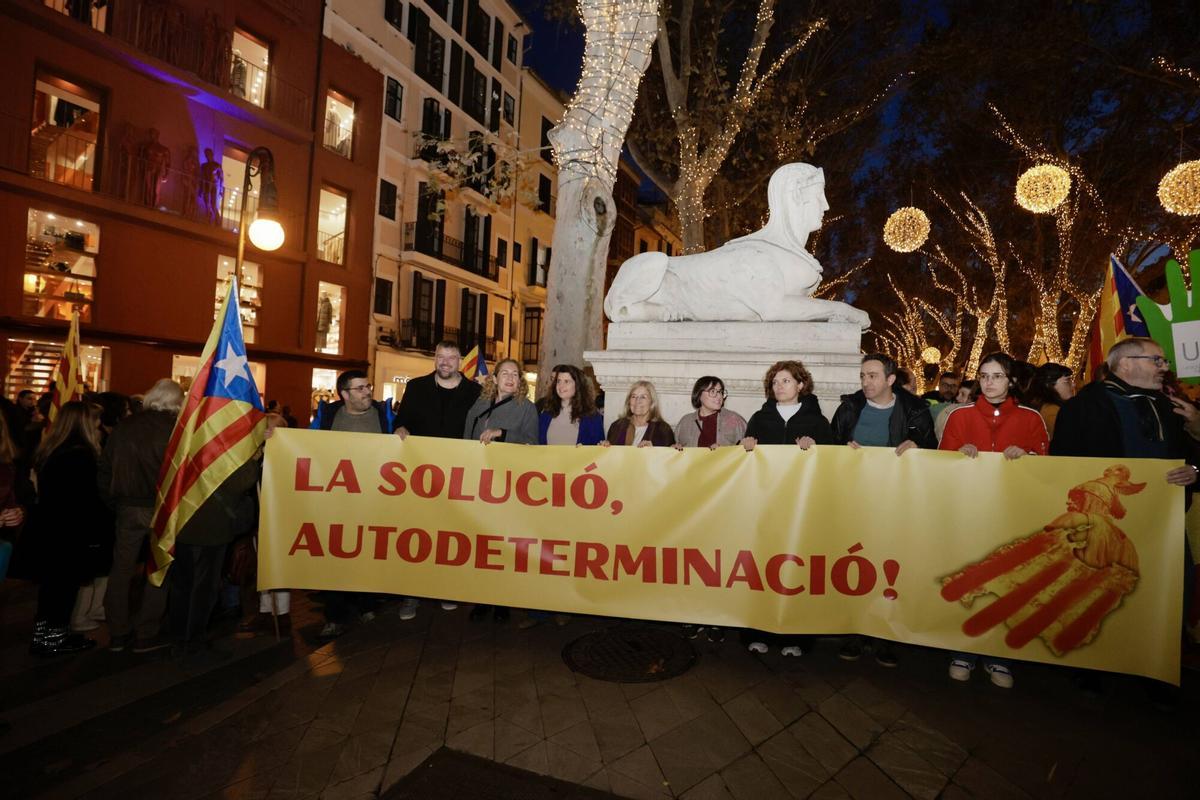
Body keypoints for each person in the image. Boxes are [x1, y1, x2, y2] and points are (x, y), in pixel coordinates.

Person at [1050, 338, 1198, 700]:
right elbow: (1062, 466)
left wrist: (1195, 469)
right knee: (1098, 590)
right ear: (1125, 364)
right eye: (1156, 360)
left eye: (1163, 360)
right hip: (1105, 524)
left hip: (1162, 522)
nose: (1164, 366)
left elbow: (1192, 457)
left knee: (1165, 593)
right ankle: (1091, 667)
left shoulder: (1176, 407)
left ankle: (1157, 667)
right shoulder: (1084, 407)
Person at [938, 352, 1049, 688]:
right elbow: (941, 464)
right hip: (969, 512)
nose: (989, 382)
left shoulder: (1031, 418)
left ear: (1011, 380)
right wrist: (959, 457)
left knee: (1006, 582)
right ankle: (963, 651)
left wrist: (1027, 458)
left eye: (997, 376)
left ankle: (1000, 655)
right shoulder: (959, 417)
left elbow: (1048, 469)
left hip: (1011, 513)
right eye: (984, 376)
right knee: (970, 579)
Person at [831, 353, 936, 666]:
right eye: (863, 376)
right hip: (855, 502)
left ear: (891, 380)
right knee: (854, 565)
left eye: (873, 376)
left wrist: (918, 446)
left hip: (895, 503)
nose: (866, 382)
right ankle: (853, 630)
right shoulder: (850, 408)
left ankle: (884, 635)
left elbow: (932, 447)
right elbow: (830, 447)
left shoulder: (915, 409)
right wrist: (842, 450)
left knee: (889, 566)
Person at [739, 361, 833, 657]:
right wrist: (746, 447)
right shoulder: (759, 418)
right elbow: (745, 463)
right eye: (775, 382)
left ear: (801, 385)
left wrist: (815, 448)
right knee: (762, 568)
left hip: (800, 507)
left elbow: (832, 460)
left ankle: (797, 636)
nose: (779, 386)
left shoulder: (817, 421)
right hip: (765, 505)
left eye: (786, 381)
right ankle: (758, 631)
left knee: (796, 570)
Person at [393, 342, 482, 619]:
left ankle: (446, 589)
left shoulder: (475, 392)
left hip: (459, 477)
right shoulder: (416, 387)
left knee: (450, 536)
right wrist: (400, 428)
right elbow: (401, 420)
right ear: (435, 359)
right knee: (416, 534)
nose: (445, 362)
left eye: (451, 358)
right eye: (440, 357)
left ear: (459, 361)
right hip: (419, 474)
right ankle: (411, 595)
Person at [99, 379, 182, 653]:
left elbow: (104, 470)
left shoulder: (124, 427)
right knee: (158, 569)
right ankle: (147, 632)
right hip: (162, 509)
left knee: (121, 569)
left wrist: (114, 503)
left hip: (127, 508)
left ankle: (118, 633)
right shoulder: (175, 430)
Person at [310, 370, 394, 637]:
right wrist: (276, 439)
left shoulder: (384, 415)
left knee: (367, 552)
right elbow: (306, 445)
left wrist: (403, 433)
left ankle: (366, 604)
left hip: (372, 501)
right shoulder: (328, 416)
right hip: (336, 501)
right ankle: (334, 615)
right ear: (344, 394)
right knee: (334, 556)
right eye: (359, 389)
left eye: (367, 386)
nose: (367, 392)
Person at [28, 401, 110, 656]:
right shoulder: (80, 455)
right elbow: (85, 500)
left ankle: (44, 635)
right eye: (95, 421)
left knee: (51, 588)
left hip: (49, 528)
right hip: (70, 533)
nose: (99, 426)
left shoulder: (51, 449)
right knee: (64, 589)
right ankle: (55, 639)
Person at [464, 359, 539, 622]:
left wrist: (502, 433)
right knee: (481, 544)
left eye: (515, 374)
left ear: (520, 381)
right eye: (504, 373)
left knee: (504, 546)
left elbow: (532, 444)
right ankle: (483, 598)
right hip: (480, 483)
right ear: (494, 379)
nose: (510, 378)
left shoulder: (527, 409)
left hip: (509, 486)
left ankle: (502, 601)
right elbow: (466, 438)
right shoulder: (479, 404)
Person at [537, 364, 605, 446]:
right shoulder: (546, 414)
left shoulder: (592, 417)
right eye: (558, 381)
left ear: (577, 386)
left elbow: (598, 449)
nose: (561, 386)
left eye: (566, 381)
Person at [674, 376, 747, 449]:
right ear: (699, 394)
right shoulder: (685, 422)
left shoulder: (734, 420)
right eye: (712, 391)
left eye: (721, 392)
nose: (719, 396)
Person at [606, 381, 675, 447]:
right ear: (629, 401)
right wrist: (604, 449)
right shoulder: (617, 426)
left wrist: (653, 451)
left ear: (652, 402)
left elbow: (669, 457)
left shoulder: (663, 430)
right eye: (633, 396)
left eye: (643, 397)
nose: (637, 401)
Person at [1025, 363, 1075, 439]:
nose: (1073, 384)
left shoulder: (1044, 406)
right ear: (1049, 385)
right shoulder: (1052, 411)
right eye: (1067, 381)